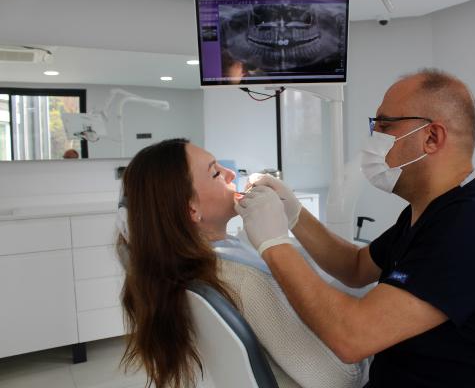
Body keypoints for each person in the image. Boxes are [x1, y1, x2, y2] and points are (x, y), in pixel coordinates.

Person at [236, 69, 475, 387]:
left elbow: (352, 336)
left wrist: (275, 245)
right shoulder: (428, 213)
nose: (374, 137)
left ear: (432, 137)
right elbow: (355, 267)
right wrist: (294, 214)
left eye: (385, 125)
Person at [116, 138, 367, 388]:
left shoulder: (184, 266)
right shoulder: (245, 281)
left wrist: (293, 216)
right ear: (191, 210)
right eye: (216, 173)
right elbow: (338, 379)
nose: (231, 174)